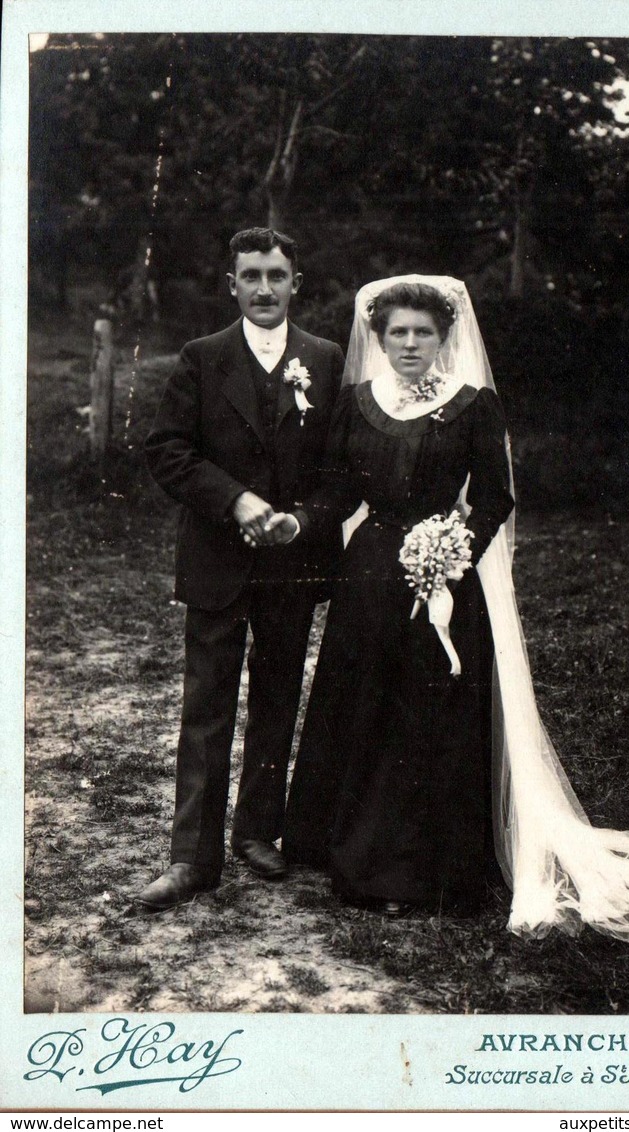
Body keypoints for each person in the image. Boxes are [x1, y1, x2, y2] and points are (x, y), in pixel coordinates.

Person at [284, 275, 629, 940]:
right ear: (380, 340)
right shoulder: (357, 403)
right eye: (398, 333)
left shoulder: (472, 405)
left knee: (425, 718)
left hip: (443, 579)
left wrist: (452, 549)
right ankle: (338, 841)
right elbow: (334, 488)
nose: (410, 343)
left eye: (422, 332)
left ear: (443, 337)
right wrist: (303, 523)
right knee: (364, 704)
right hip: (370, 578)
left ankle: (412, 870)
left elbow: (496, 497)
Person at [138, 227, 345, 909]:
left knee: (279, 696)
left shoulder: (325, 357)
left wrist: (303, 521)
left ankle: (258, 832)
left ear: (296, 283)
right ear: (232, 284)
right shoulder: (202, 358)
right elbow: (167, 451)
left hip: (291, 563)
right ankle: (191, 857)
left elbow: (342, 471)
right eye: (251, 276)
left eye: (276, 276)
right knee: (206, 707)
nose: (263, 288)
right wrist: (237, 500)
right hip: (217, 564)